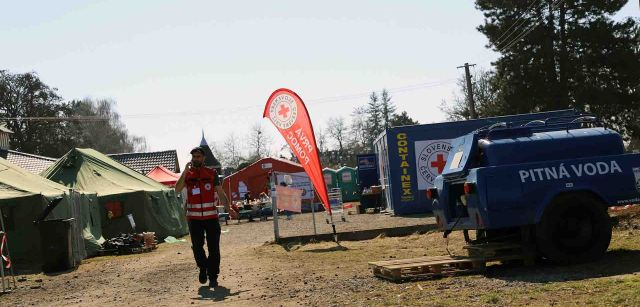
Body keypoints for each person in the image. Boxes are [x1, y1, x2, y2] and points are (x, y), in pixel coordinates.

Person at [175, 146, 236, 288]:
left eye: (198, 156)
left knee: (214, 248)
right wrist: (184, 172)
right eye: (194, 157)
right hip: (194, 219)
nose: (195, 159)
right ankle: (203, 267)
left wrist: (229, 209)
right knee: (197, 247)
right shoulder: (188, 175)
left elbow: (221, 193)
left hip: (211, 218)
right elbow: (177, 189)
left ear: (203, 158)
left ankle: (213, 277)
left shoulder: (212, 173)